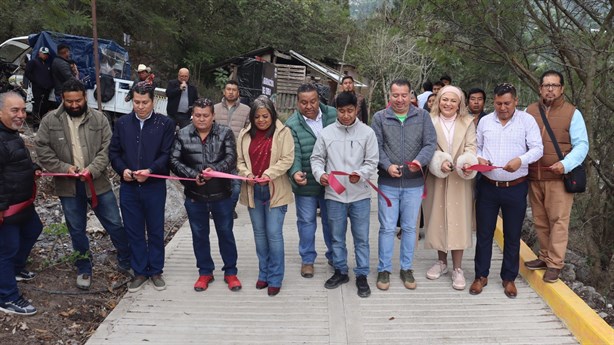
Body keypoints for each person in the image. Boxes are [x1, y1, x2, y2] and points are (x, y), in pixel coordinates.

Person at [35, 79, 132, 290]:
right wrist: (63, 167)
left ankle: (126, 259)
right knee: (76, 228)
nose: (74, 105)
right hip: (67, 186)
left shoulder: (99, 119)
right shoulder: (50, 121)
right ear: (62, 98)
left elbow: (108, 148)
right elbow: (42, 149)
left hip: (97, 183)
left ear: (85, 97)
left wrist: (93, 169)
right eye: (69, 101)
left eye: (78, 100)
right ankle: (83, 266)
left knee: (114, 223)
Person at [471, 83, 543, 298]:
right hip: (488, 186)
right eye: (499, 103)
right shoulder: (485, 121)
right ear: (494, 101)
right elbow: (476, 146)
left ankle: (509, 278)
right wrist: (479, 157)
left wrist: (520, 160)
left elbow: (538, 148)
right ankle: (480, 276)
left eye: (507, 103)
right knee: (484, 233)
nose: (503, 108)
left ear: (516, 101)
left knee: (512, 235)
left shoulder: (526, 121)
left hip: (516, 186)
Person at [311, 91, 379, 298]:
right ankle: (340, 271)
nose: (346, 115)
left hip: (360, 196)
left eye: (350, 111)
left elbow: (372, 161)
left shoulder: (367, 133)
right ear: (336, 111)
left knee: (361, 238)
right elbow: (316, 158)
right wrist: (320, 175)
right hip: (335, 194)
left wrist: (361, 174)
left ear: (357, 110)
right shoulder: (327, 133)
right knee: (337, 237)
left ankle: (361, 275)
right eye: (342, 111)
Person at [170, 98, 242, 292]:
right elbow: (174, 161)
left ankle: (230, 271)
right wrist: (193, 176)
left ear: (213, 116)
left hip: (222, 194)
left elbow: (231, 158)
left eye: (205, 116)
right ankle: (205, 271)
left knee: (225, 233)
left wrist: (214, 170)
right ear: (192, 115)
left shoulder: (225, 133)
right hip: (195, 195)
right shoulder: (182, 134)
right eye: (197, 115)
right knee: (199, 235)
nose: (201, 119)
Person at [371, 79, 436, 291]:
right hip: (388, 183)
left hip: (414, 183)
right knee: (387, 227)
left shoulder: (423, 116)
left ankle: (406, 268)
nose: (400, 100)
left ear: (411, 97)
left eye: (404, 95)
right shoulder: (380, 117)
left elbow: (430, 143)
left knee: (409, 228)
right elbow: (376, 147)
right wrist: (387, 165)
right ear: (389, 96)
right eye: (395, 95)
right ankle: (384, 269)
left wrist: (419, 161)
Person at [109, 82, 175, 293]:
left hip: (154, 185)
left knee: (155, 229)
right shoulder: (122, 123)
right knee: (134, 230)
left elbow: (167, 154)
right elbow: (114, 153)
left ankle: (155, 270)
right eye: (136, 102)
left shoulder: (165, 124)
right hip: (129, 186)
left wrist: (151, 170)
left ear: (153, 101)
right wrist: (123, 170)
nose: (140, 106)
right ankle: (139, 271)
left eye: (144, 102)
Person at [524, 70, 589, 283]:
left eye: (554, 85)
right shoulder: (529, 111)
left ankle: (555, 263)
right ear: (540, 88)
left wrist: (565, 164)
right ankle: (544, 256)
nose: (550, 89)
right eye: (546, 85)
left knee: (558, 221)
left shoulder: (572, 113)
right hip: (534, 176)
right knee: (540, 221)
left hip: (558, 178)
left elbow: (582, 145)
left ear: (561, 89)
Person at [236, 96, 294, 296]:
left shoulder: (283, 133)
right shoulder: (244, 134)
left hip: (275, 190)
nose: (261, 120)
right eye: (257, 116)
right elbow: (240, 161)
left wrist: (269, 174)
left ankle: (276, 277)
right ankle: (264, 273)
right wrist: (247, 175)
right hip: (253, 190)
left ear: (272, 115)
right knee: (260, 235)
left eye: (265, 116)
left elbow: (288, 159)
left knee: (273, 234)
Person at [423, 85, 478, 291]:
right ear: (438, 101)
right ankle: (441, 262)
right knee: (437, 217)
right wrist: (439, 161)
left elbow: (471, 147)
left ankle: (457, 268)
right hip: (437, 176)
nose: (448, 104)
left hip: (460, 178)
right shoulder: (429, 120)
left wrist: (466, 162)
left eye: (453, 101)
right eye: (444, 100)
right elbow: (426, 146)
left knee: (458, 220)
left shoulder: (467, 122)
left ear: (459, 104)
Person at [285, 83, 336, 279]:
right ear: (298, 103)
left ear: (319, 100)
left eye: (313, 101)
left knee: (331, 222)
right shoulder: (292, 124)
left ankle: (335, 255)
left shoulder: (333, 115)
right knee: (306, 222)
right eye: (304, 102)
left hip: (331, 181)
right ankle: (307, 260)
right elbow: (294, 153)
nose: (309, 106)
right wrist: (295, 172)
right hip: (306, 183)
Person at [0, 92, 43, 315]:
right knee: (6, 250)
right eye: (14, 110)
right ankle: (7, 296)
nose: (20, 115)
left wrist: (33, 167)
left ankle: (16, 268)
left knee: (34, 229)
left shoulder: (12, 134)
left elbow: (16, 161)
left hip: (23, 202)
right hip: (7, 208)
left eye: (23, 110)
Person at [214, 80, 250, 219]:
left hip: (237, 154)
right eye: (228, 89)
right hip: (217, 153)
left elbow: (249, 132)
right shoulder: (215, 108)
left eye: (234, 89)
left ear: (238, 92)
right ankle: (218, 209)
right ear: (224, 91)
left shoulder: (246, 110)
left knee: (236, 186)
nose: (230, 92)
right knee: (218, 184)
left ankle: (230, 209)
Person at [24, 47, 53, 126]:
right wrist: (36, 81)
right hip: (38, 88)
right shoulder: (33, 62)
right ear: (39, 53)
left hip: (46, 88)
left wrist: (50, 84)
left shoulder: (47, 64)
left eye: (46, 54)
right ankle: (36, 124)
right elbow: (27, 72)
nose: (45, 56)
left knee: (45, 106)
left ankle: (43, 124)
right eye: (44, 54)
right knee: (38, 105)